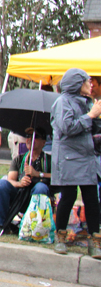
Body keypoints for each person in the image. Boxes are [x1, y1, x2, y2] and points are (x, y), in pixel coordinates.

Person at [50, 69, 101, 257]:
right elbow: (68, 127)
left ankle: (95, 241)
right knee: (69, 196)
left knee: (91, 199)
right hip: (68, 157)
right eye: (88, 81)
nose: (91, 84)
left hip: (87, 157)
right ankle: (60, 236)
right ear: (77, 84)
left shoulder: (87, 102)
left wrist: (96, 117)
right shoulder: (62, 102)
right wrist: (91, 116)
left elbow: (91, 128)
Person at [0, 128, 52, 235]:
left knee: (41, 187)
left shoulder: (49, 160)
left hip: (37, 196)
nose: (30, 139)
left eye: (36, 136)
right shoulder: (19, 159)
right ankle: (1, 225)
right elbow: (11, 179)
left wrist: (38, 174)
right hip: (20, 197)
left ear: (44, 142)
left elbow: (57, 177)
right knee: (2, 184)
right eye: (28, 136)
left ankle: (36, 228)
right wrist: (19, 183)